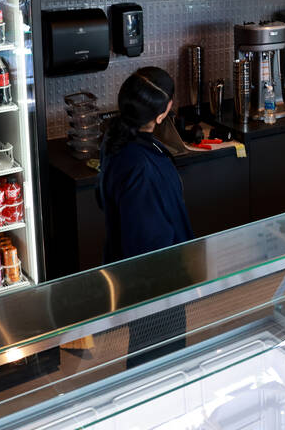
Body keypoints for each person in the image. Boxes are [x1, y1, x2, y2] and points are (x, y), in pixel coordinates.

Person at [97, 67, 193, 367]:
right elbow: (149, 239)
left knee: (147, 353)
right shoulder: (142, 165)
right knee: (157, 362)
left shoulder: (118, 141)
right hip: (156, 284)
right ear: (162, 113)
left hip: (137, 278)